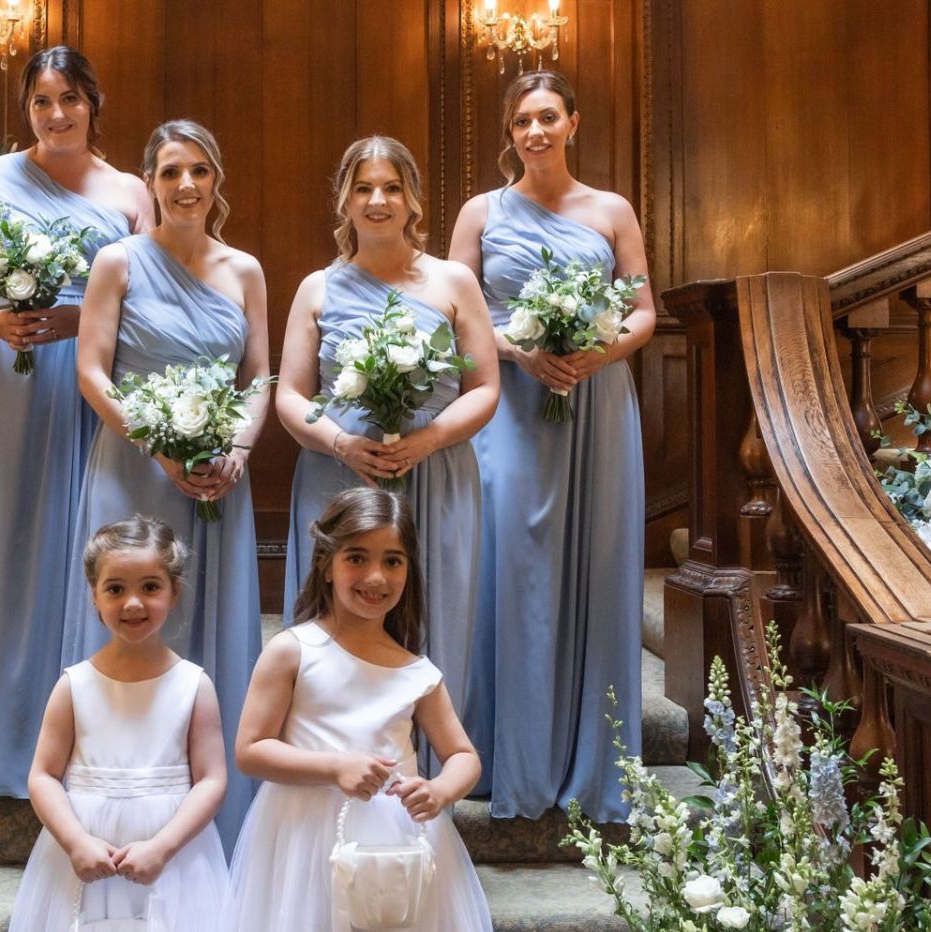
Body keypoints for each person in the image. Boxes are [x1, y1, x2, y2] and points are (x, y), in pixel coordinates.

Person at [0, 45, 153, 795]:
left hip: (85, 378)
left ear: (94, 104)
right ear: (27, 109)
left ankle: (80, 746)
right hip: (0, 380)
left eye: (70, 100)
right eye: (41, 102)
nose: (56, 116)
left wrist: (76, 316)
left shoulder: (128, 190)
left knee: (81, 545)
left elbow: (146, 292)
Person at [226, 488, 514, 932]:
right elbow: (250, 749)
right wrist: (333, 767)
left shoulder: (417, 672)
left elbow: (463, 755)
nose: (375, 576)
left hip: (400, 847)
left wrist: (439, 791)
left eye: (393, 560)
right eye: (357, 557)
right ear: (327, 563)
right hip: (309, 841)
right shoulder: (293, 650)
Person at [449, 70, 656, 821]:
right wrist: (519, 351)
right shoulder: (480, 212)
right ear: (509, 135)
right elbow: (456, 317)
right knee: (508, 565)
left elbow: (642, 312)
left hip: (595, 402)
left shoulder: (611, 210)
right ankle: (505, 755)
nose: (533, 133)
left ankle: (593, 765)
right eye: (520, 123)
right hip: (509, 404)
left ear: (574, 121)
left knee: (594, 568)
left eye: (546, 117)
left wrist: (595, 354)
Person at [71, 119, 270, 844]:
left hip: (220, 475)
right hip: (133, 467)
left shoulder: (244, 270)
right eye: (170, 173)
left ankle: (214, 805)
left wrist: (239, 451)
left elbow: (258, 379)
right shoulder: (117, 262)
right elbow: (91, 373)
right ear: (150, 183)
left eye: (199, 172)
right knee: (131, 610)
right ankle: (115, 802)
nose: (186, 186)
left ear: (217, 181)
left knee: (205, 617)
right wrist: (157, 445)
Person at [0, 516, 232, 932]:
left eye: (150, 587)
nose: (134, 603)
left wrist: (164, 847)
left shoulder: (193, 685)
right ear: (94, 596)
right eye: (116, 588)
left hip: (173, 865)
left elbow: (212, 778)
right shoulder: (75, 684)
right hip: (87, 861)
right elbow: (43, 775)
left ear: (174, 591)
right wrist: (75, 841)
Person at [275, 136, 499, 722]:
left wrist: (429, 439)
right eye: (364, 188)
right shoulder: (316, 288)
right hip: (338, 477)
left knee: (434, 610)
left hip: (438, 474)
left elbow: (486, 390)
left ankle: (426, 771)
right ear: (345, 200)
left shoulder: (454, 283)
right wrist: (341, 442)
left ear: (413, 199)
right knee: (335, 613)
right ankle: (330, 755)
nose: (378, 200)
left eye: (392, 187)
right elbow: (289, 396)